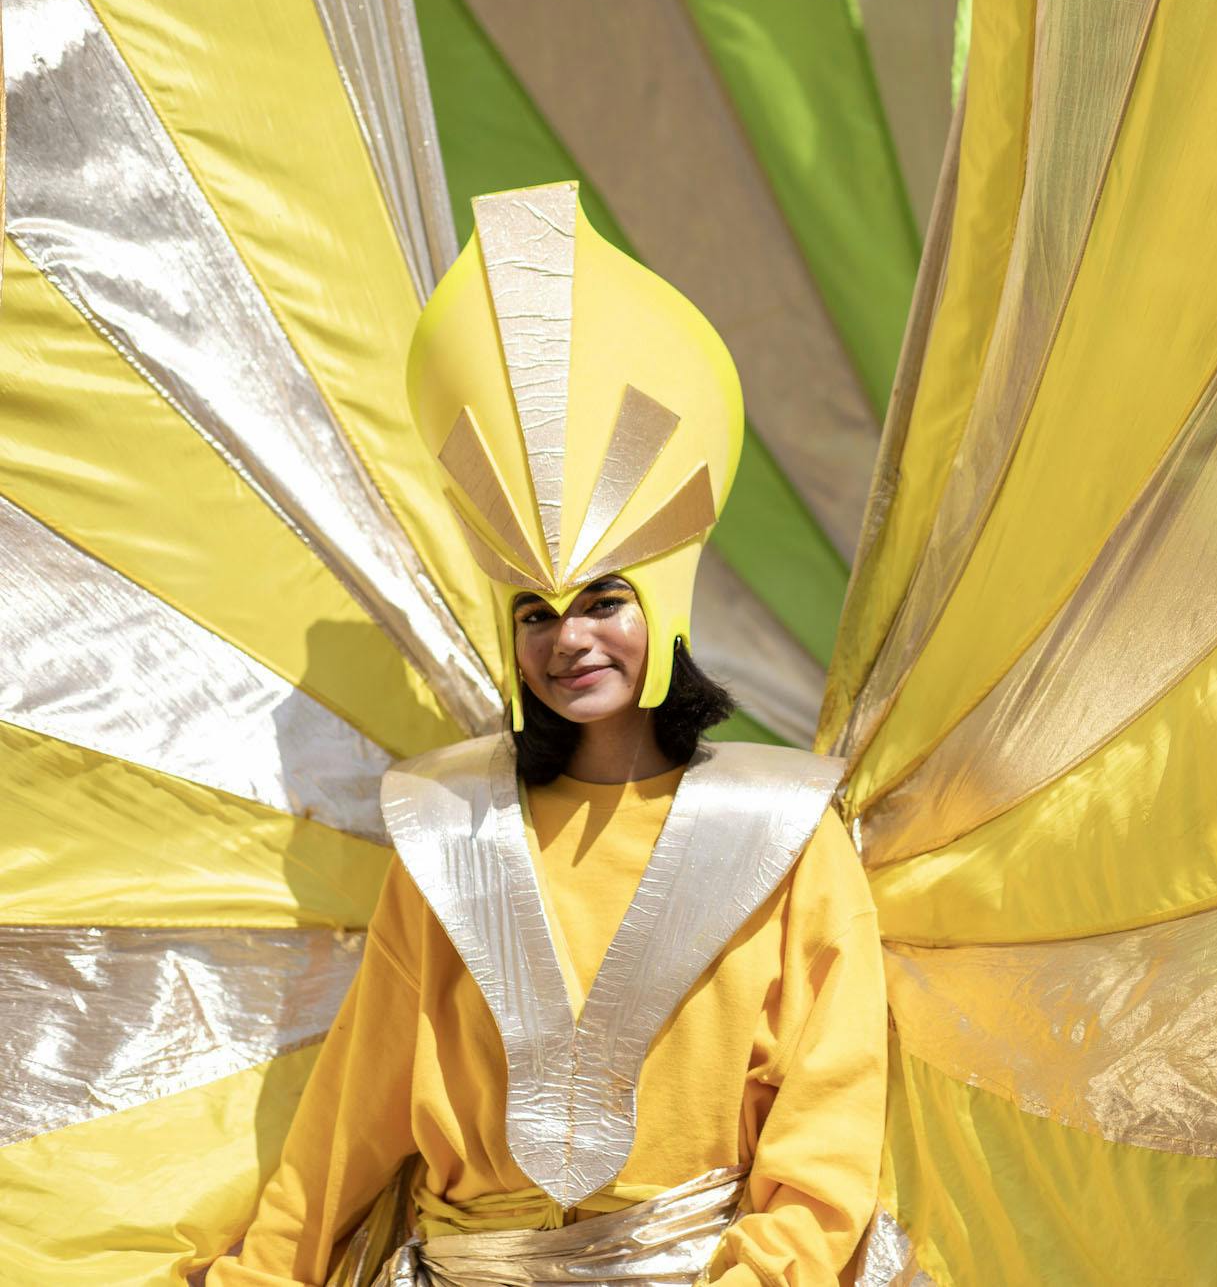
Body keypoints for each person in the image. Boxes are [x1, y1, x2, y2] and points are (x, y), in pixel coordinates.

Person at [208, 182, 887, 1286]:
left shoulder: (790, 836)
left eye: (602, 600)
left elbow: (830, 1126)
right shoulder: (449, 833)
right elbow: (351, 1120)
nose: (568, 637)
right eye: (536, 611)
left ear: (658, 606)